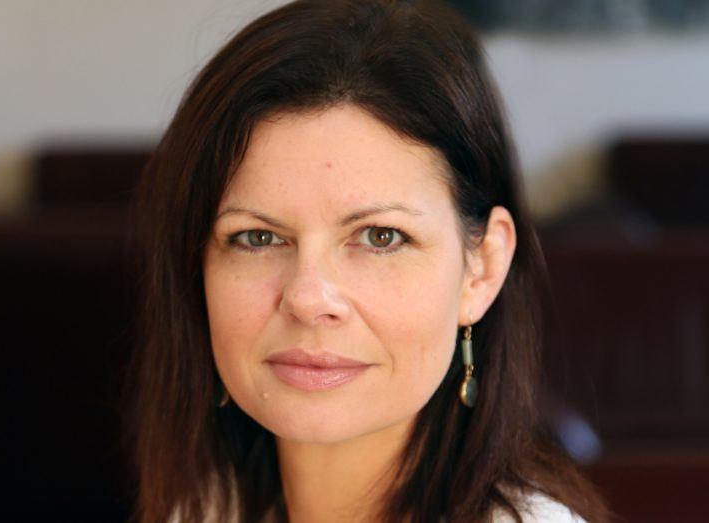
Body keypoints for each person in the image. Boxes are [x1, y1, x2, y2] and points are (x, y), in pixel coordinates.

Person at [129, 1, 611, 521]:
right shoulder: (205, 510)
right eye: (257, 237)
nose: (308, 298)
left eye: (381, 236)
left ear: (482, 267)